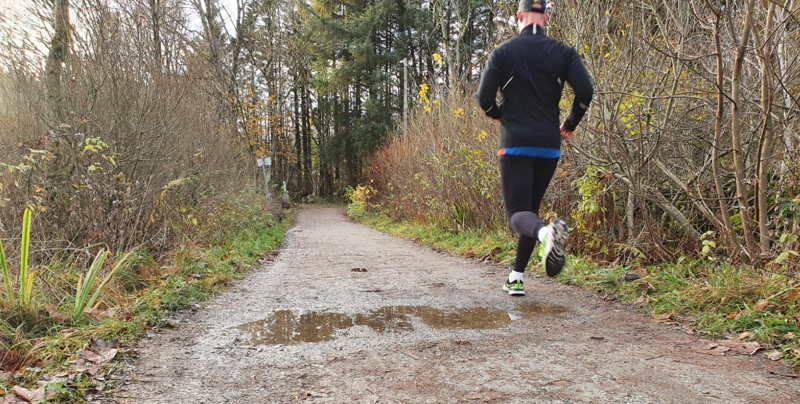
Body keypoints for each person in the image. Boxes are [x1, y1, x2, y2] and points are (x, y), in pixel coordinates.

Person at [476, 0, 594, 296]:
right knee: (530, 211)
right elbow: (585, 91)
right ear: (547, 17)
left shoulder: (503, 52)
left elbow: (484, 99)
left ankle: (546, 235)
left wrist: (500, 115)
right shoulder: (563, 52)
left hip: (516, 143)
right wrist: (570, 122)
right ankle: (516, 277)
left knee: (517, 213)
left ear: (519, 17)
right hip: (548, 145)